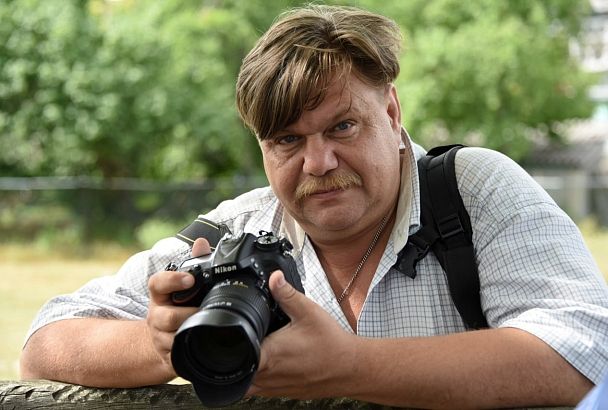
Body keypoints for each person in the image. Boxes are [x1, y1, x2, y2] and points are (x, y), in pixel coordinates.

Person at [20, 5, 608, 408]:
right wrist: (161, 343)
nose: (319, 162)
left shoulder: (471, 192)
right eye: (287, 140)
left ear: (392, 113)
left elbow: (585, 349)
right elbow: (44, 343)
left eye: (342, 126)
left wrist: (351, 365)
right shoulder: (235, 233)